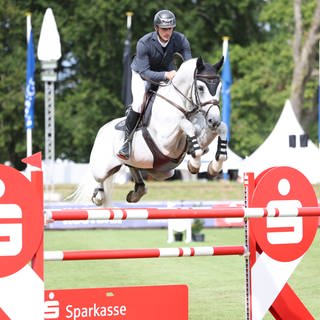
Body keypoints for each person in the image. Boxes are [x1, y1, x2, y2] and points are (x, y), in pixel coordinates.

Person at [117, 9, 192, 160]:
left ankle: (191, 138)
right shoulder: (144, 43)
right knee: (138, 103)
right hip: (142, 75)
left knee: (185, 99)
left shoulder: (180, 40)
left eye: (170, 28)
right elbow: (145, 72)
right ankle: (127, 141)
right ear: (156, 28)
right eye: (164, 29)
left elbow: (189, 64)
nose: (167, 32)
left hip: (166, 72)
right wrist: (167, 75)